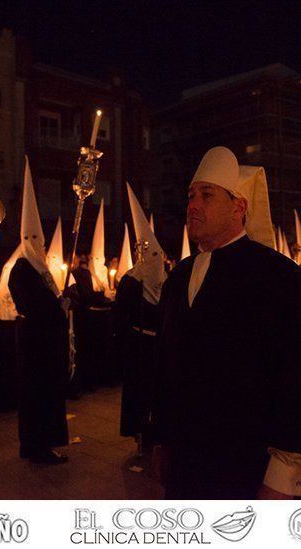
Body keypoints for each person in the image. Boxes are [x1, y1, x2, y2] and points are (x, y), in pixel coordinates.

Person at [152, 147, 301, 499]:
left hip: (247, 469)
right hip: (186, 466)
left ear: (239, 207)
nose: (193, 205)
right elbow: (166, 366)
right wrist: (163, 441)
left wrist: (282, 476)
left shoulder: (281, 279)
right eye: (190, 196)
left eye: (207, 195)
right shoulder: (179, 276)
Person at [8, 157, 69, 464]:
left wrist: (62, 303)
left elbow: (51, 300)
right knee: (36, 396)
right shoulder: (21, 269)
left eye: (38, 238)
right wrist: (57, 307)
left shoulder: (42, 268)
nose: (35, 243)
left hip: (44, 342)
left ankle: (41, 444)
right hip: (34, 343)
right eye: (29, 238)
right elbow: (37, 306)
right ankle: (36, 446)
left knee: (46, 395)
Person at [116, 183, 167, 454]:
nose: (157, 260)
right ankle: (139, 435)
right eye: (153, 255)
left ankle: (154, 434)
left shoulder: (166, 282)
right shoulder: (131, 281)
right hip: (138, 347)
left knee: (155, 395)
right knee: (138, 394)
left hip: (157, 347)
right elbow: (121, 314)